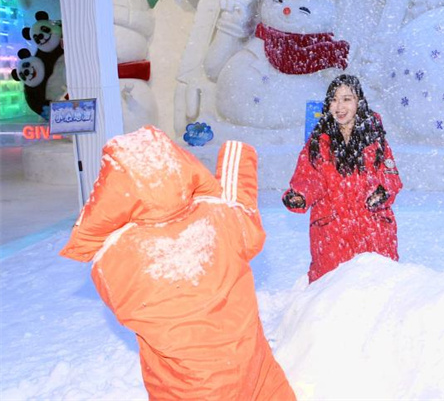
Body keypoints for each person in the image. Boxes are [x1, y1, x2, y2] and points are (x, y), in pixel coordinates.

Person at [59, 126, 296, 401]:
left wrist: (99, 227)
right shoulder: (219, 220)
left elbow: (127, 307)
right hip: (252, 370)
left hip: (184, 389)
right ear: (181, 167)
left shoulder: (114, 258)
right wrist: (238, 157)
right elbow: (244, 214)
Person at [283, 74, 402, 283]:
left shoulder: (375, 138)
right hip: (332, 232)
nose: (339, 106)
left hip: (371, 229)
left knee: (376, 293)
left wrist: (381, 191)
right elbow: (309, 177)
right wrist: (300, 195)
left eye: (347, 99)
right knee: (331, 298)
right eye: (334, 99)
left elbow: (390, 176)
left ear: (359, 103)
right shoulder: (318, 142)